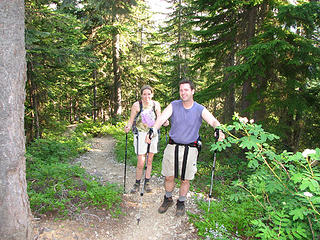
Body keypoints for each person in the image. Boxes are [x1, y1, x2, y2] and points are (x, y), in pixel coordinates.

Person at [146, 79, 225, 216]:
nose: (183, 92)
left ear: (192, 91)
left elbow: (212, 120)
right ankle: (168, 198)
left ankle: (181, 202)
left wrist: (218, 129)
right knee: (169, 177)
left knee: (185, 179)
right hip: (172, 146)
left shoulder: (199, 108)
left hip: (191, 148)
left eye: (186, 90)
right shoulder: (174, 105)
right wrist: (153, 129)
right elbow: (161, 118)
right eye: (181, 90)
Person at [124, 85, 164, 194]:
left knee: (149, 160)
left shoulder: (156, 105)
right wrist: (127, 126)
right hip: (140, 134)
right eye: (144, 94)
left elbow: (159, 118)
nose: (147, 96)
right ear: (141, 95)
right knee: (141, 162)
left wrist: (164, 122)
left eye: (149, 94)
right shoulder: (137, 105)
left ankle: (147, 182)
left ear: (152, 94)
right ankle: (137, 183)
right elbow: (131, 120)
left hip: (153, 134)